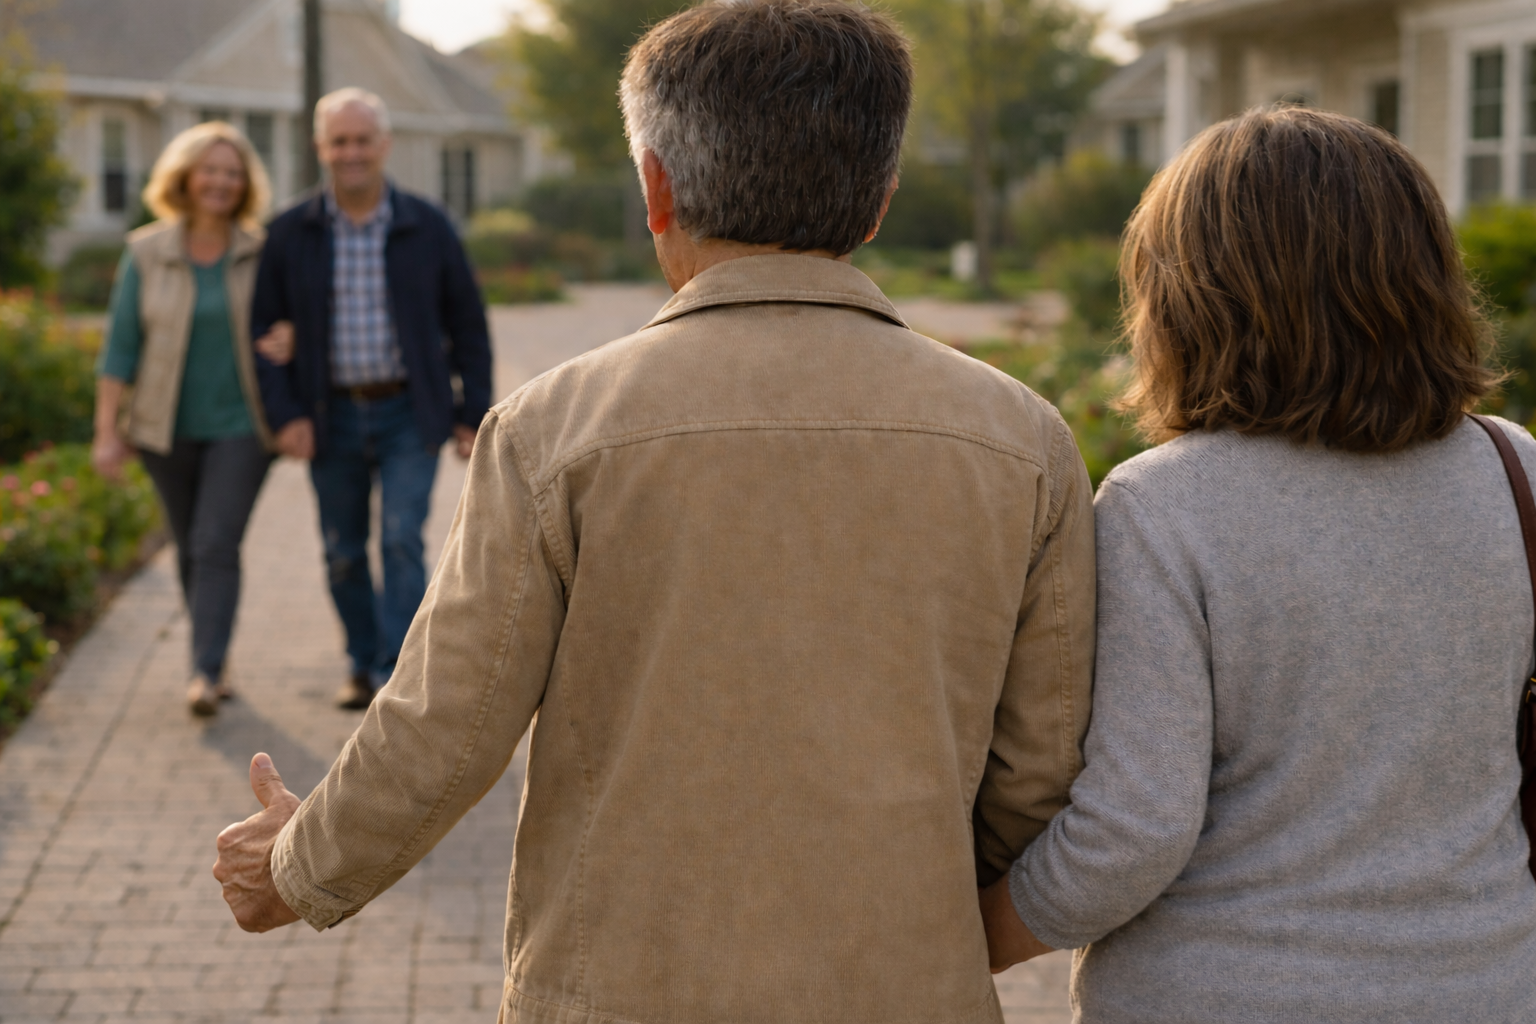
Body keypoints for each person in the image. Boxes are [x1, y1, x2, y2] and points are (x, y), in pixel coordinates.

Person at [213, 2, 1095, 1021]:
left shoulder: (555, 428)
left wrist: (296, 866)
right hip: (905, 987)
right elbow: (1041, 772)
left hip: (622, 986)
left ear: (657, 188)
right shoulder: (1024, 441)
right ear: (879, 203)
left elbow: (446, 722)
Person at [981, 107, 1536, 1021]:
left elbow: (1132, 834)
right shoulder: (1515, 469)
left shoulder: (1164, 506)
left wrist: (971, 937)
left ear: (1188, 299)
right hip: (1485, 989)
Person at [250, 87, 493, 710]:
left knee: (402, 537)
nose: (351, 152)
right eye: (340, 141)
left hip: (409, 412)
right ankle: (361, 660)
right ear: (320, 148)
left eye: (362, 140)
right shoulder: (290, 232)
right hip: (328, 415)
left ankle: (397, 673)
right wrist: (286, 416)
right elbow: (263, 334)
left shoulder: (428, 225)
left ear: (384, 145)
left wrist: (472, 414)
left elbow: (468, 324)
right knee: (343, 552)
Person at [92, 122, 277, 717]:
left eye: (233, 172)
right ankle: (212, 655)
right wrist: (106, 432)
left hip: (243, 426)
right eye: (210, 170)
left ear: (245, 183)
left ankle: (204, 671)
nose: (221, 182)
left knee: (215, 540)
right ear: (185, 177)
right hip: (162, 430)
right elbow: (120, 347)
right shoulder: (146, 252)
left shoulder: (260, 252)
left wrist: (290, 338)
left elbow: (291, 319)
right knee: (191, 548)